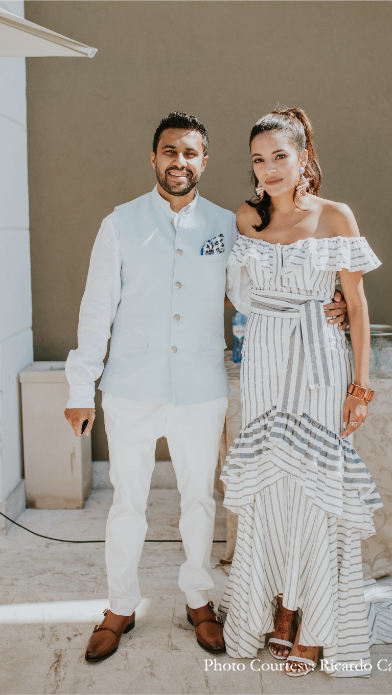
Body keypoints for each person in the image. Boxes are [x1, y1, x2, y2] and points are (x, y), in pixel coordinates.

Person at [64, 110, 349, 662]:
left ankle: (199, 600)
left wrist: (323, 303)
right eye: (170, 151)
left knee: (199, 500)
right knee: (127, 501)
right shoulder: (119, 223)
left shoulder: (227, 224)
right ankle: (120, 606)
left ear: (204, 161)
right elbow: (96, 308)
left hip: (200, 386)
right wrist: (81, 388)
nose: (179, 161)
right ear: (154, 158)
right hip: (130, 385)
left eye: (190, 153)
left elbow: (252, 295)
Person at [219, 107, 383, 677]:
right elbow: (233, 292)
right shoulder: (246, 218)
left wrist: (361, 385)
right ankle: (280, 608)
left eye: (279, 156)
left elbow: (356, 306)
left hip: (319, 364)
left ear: (304, 157)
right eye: (258, 160)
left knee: (315, 491)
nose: (268, 169)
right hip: (264, 364)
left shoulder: (335, 216)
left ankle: (316, 622)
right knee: (270, 489)